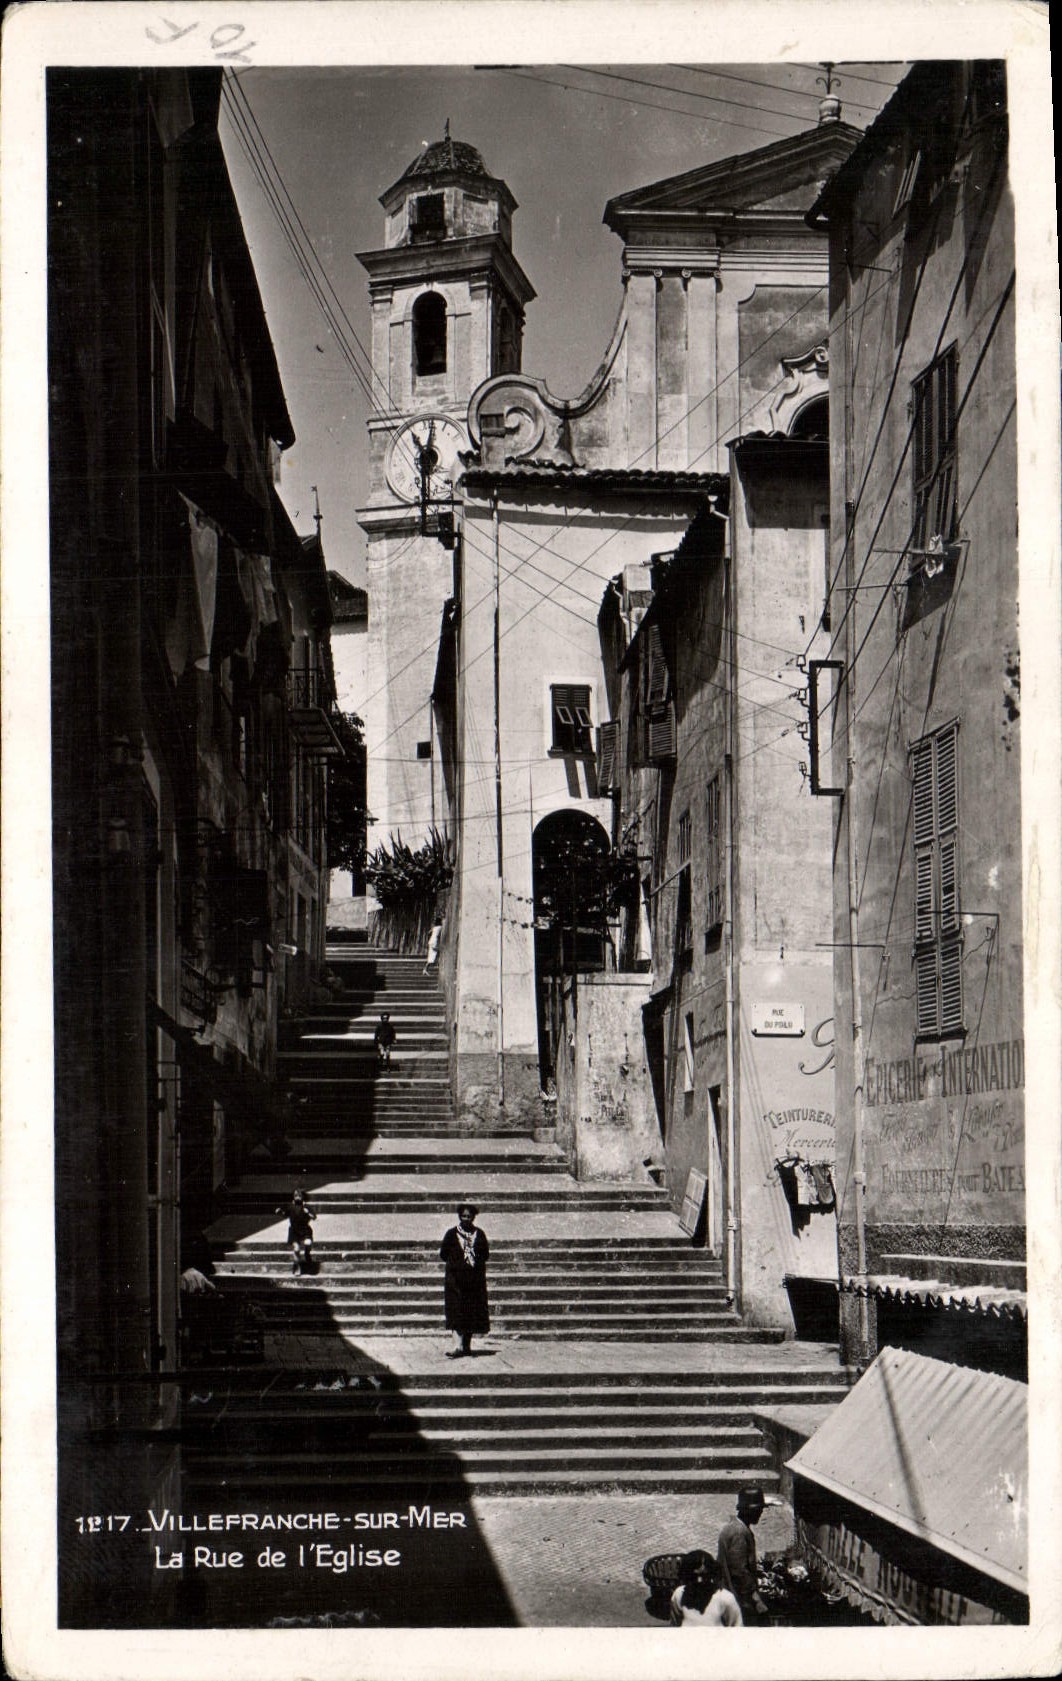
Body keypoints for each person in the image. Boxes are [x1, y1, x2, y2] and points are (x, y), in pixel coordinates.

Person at [440, 1203, 490, 1357]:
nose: (466, 1219)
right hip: (455, 1281)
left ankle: (466, 1346)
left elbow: (485, 1254)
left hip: (474, 1282)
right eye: (463, 1216)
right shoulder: (451, 1234)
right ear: (459, 1217)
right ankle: (457, 1345)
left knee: (470, 1312)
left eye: (469, 1216)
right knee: (456, 1311)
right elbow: (443, 1254)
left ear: (473, 1217)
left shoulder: (479, 1234)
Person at [717, 1486, 767, 1624]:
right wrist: (756, 1599)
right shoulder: (739, 1533)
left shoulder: (734, 1526)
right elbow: (739, 1571)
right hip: (736, 1597)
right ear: (748, 1510)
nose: (761, 1513)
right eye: (758, 1510)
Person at [669, 1550, 743, 1627]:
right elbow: (675, 1626)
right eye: (693, 1577)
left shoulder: (725, 1598)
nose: (699, 1582)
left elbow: (737, 1628)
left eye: (704, 1576)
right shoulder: (679, 1595)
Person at [276, 1189, 317, 1274]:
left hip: (305, 1230)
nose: (298, 1197)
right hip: (294, 1231)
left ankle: (307, 1253)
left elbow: (314, 1217)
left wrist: (308, 1213)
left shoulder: (307, 1207)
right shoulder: (290, 1206)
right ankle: (297, 1265)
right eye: (296, 1195)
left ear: (302, 1197)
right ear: (293, 1197)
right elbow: (284, 1214)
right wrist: (280, 1212)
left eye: (299, 1195)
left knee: (308, 1243)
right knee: (296, 1249)